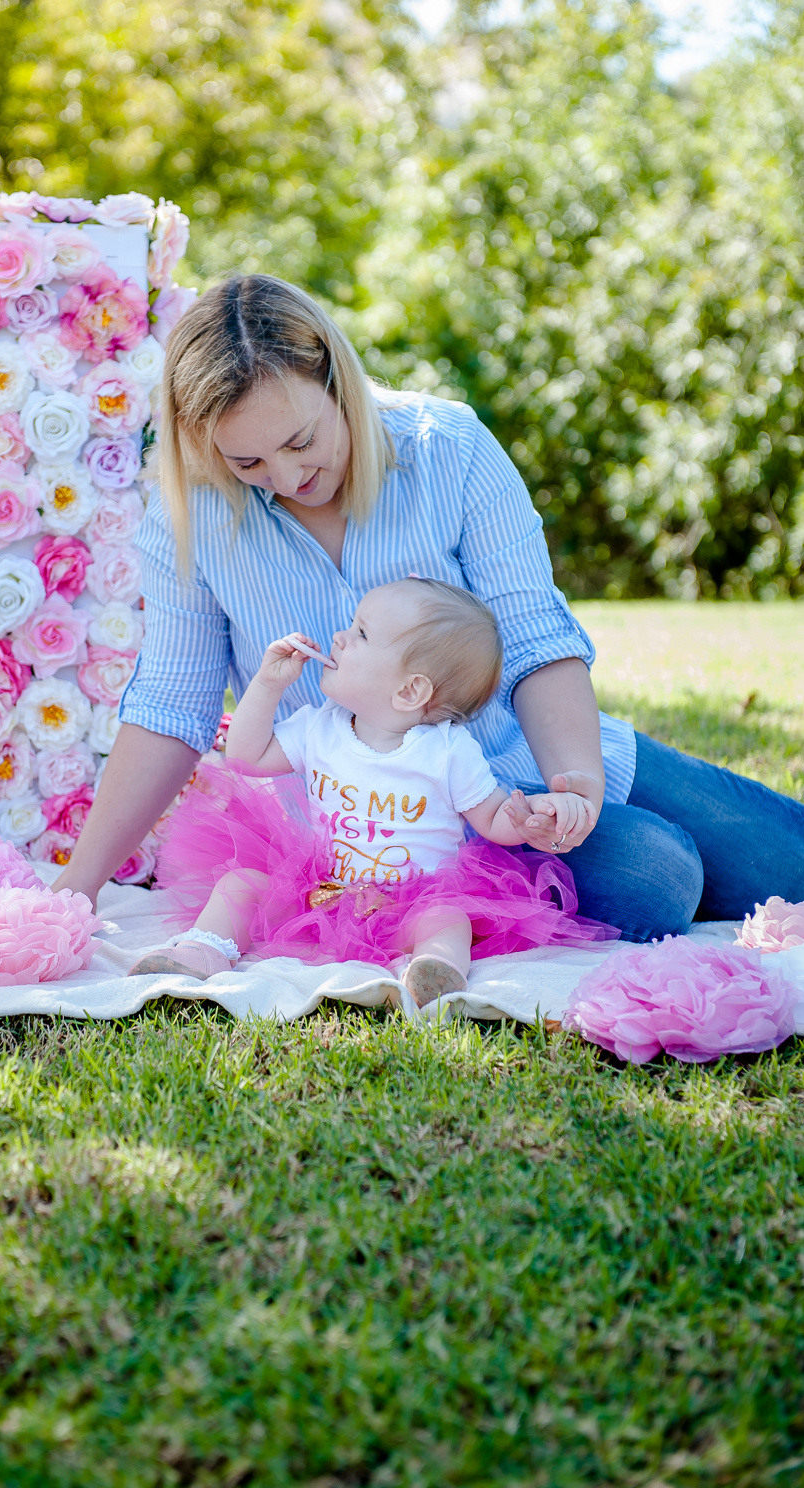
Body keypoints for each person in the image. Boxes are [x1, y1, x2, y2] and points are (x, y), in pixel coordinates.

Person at [53, 274, 804, 940]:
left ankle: (658, 839)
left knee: (785, 859)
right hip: (389, 829)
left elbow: (536, 637)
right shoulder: (194, 520)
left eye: (301, 440)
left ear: (335, 378)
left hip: (521, 754)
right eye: (247, 462)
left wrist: (576, 783)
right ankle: (659, 858)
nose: (285, 476)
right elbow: (169, 708)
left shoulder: (451, 449)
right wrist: (75, 890)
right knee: (656, 878)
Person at [130, 578, 615, 1003]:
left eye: (361, 633)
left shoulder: (447, 751)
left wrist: (532, 816)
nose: (340, 637)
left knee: (449, 919)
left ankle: (435, 969)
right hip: (319, 893)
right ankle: (203, 950)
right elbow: (245, 756)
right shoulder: (319, 728)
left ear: (410, 691)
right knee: (240, 885)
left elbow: (491, 820)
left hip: (410, 901)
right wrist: (266, 684)